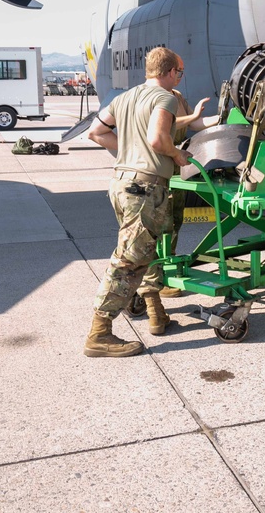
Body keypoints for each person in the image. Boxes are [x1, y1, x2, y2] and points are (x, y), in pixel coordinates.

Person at [82, 47, 193, 358]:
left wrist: (128, 152)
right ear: (170, 72)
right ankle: (99, 333)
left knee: (141, 255)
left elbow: (96, 131)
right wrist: (176, 154)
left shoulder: (125, 97)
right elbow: (159, 139)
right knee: (128, 261)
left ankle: (155, 311)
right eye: (178, 73)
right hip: (145, 189)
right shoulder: (166, 98)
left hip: (122, 184)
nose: (178, 78)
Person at [157, 90, 219, 299]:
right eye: (177, 71)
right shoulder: (153, 96)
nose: (179, 76)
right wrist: (191, 118)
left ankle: (168, 265)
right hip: (160, 163)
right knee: (161, 221)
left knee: (175, 219)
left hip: (178, 164)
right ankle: (158, 275)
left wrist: (221, 117)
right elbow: (165, 127)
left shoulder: (177, 96)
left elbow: (195, 124)